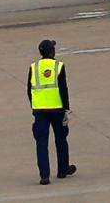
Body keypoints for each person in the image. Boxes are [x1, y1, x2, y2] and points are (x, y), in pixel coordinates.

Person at [28, 39, 76, 185]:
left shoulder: (34, 67)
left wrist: (34, 106)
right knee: (61, 139)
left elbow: (29, 90)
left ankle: (44, 175)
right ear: (51, 52)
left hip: (40, 111)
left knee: (41, 142)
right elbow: (63, 88)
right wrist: (66, 108)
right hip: (57, 109)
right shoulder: (58, 66)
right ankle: (62, 170)